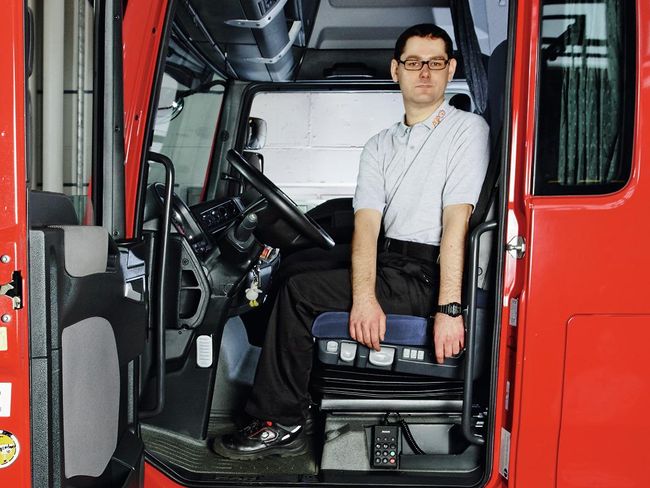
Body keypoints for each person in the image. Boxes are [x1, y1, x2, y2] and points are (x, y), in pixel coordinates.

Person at [213, 23, 489, 459]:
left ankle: (279, 420)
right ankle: (294, 389)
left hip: (426, 276)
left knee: (299, 294)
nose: (425, 73)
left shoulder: (466, 130)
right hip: (391, 261)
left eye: (436, 64)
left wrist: (449, 309)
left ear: (450, 68)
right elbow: (367, 226)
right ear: (396, 69)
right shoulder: (381, 144)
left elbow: (456, 224)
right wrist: (363, 295)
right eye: (414, 63)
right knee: (296, 267)